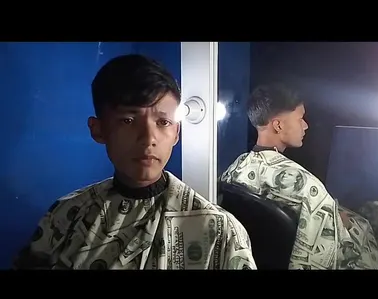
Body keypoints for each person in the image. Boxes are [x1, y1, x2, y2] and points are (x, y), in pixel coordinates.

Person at [14, 54, 256, 270]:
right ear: (98, 130)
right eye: (128, 121)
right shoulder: (65, 216)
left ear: (176, 133)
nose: (148, 139)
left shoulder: (220, 231)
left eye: (163, 122)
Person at [220, 83, 378, 270]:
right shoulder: (307, 185)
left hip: (257, 255)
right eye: (300, 118)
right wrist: (339, 224)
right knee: (365, 223)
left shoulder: (235, 168)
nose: (305, 125)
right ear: (278, 125)